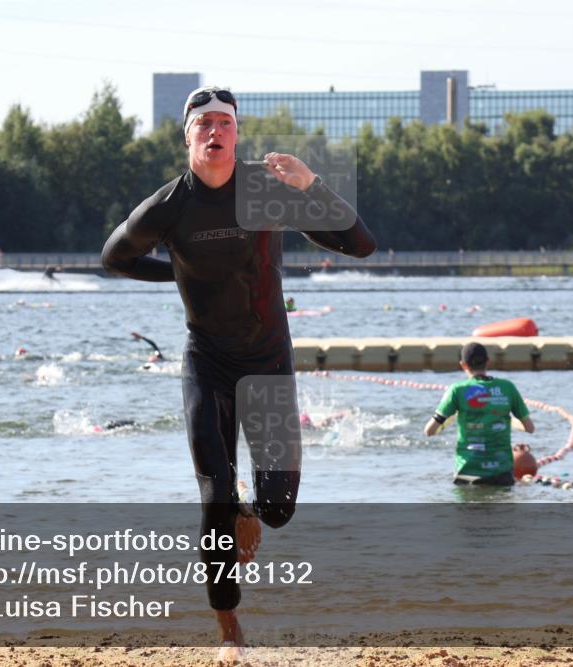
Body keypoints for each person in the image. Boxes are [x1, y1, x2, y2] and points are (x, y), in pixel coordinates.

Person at [101, 85, 376, 657]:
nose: (214, 131)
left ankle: (252, 507)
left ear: (237, 133)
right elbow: (114, 257)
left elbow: (361, 244)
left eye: (224, 122)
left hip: (269, 363)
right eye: (203, 123)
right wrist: (176, 272)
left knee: (277, 511)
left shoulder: (266, 190)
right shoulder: (170, 206)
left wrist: (309, 184)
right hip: (207, 363)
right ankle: (230, 632)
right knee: (214, 496)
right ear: (187, 136)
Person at [423, 342, 535, 486]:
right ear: (488, 362)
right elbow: (530, 428)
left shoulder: (457, 390)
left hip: (467, 472)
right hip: (501, 473)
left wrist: (450, 418)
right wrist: (508, 420)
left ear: (463, 365)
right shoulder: (507, 387)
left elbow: (429, 431)